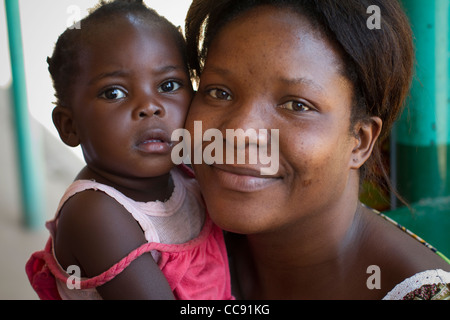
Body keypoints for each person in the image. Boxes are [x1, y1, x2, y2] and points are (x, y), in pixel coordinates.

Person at [184, 0, 450, 299]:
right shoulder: (161, 237)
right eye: (219, 92)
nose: (240, 132)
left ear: (360, 140)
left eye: (297, 105)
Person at [26, 0, 232, 300]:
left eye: (169, 85)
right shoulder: (94, 214)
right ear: (70, 126)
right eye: (114, 92)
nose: (150, 106)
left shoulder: (187, 171)